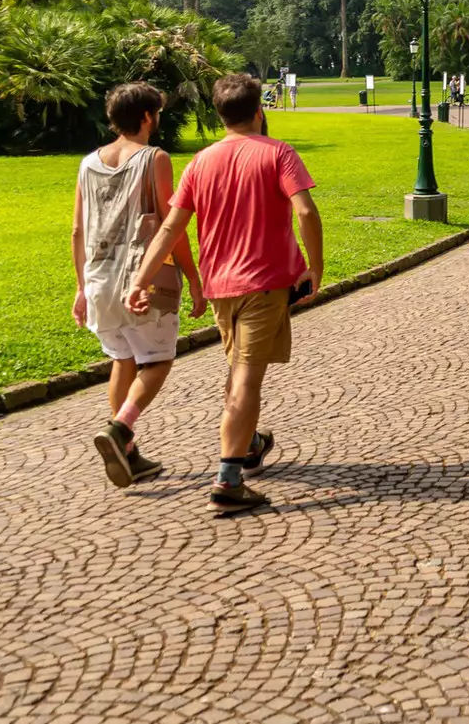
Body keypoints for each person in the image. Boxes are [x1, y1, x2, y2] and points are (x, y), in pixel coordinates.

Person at [129, 73, 324, 513]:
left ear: (220, 114)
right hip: (264, 284)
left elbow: (170, 227)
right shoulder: (278, 153)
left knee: (238, 369)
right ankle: (228, 478)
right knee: (247, 378)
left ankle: (250, 442)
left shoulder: (201, 161)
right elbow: (306, 211)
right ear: (260, 110)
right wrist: (316, 267)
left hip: (220, 287)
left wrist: (140, 279)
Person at [73, 82, 206, 489]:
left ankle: (127, 456)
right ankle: (120, 430)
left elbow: (78, 230)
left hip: (98, 280)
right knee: (158, 361)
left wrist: (81, 287)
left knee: (122, 359)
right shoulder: (155, 158)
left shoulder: (87, 163)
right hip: (142, 281)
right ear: (147, 117)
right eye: (158, 113)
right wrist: (195, 279)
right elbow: (172, 227)